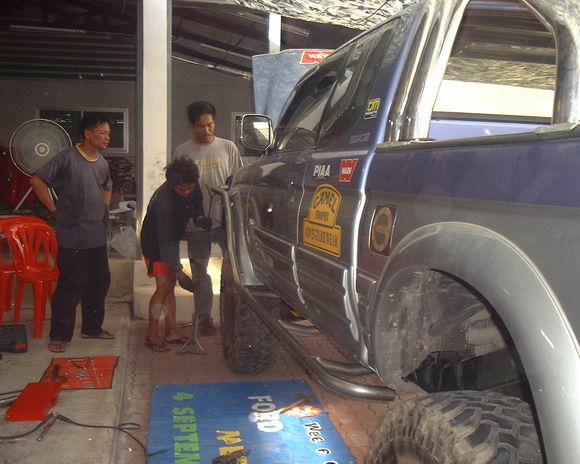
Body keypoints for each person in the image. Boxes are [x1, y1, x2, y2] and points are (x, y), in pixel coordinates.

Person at [30, 112, 115, 353]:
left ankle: (92, 328)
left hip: (96, 235)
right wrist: (54, 210)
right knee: (71, 286)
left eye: (109, 133)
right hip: (73, 236)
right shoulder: (67, 158)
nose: (107, 137)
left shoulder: (102, 162)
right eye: (103, 132)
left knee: (99, 283)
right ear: (87, 133)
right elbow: (36, 181)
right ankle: (59, 336)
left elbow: (108, 186)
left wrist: (105, 207)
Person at [172, 101, 242, 335]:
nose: (206, 130)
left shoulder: (228, 147)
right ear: (193, 125)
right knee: (200, 270)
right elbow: (177, 187)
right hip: (197, 223)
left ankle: (232, 316)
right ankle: (203, 318)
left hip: (226, 220)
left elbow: (238, 183)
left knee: (233, 268)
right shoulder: (182, 151)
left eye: (210, 125)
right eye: (201, 126)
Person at [140, 157, 212, 352]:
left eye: (190, 188)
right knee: (164, 286)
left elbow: (196, 204)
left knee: (169, 286)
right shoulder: (165, 201)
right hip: (155, 243)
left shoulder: (192, 184)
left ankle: (171, 331)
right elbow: (166, 240)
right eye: (182, 190)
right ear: (172, 185)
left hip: (169, 241)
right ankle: (151, 334)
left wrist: (199, 219)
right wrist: (179, 272)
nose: (187, 192)